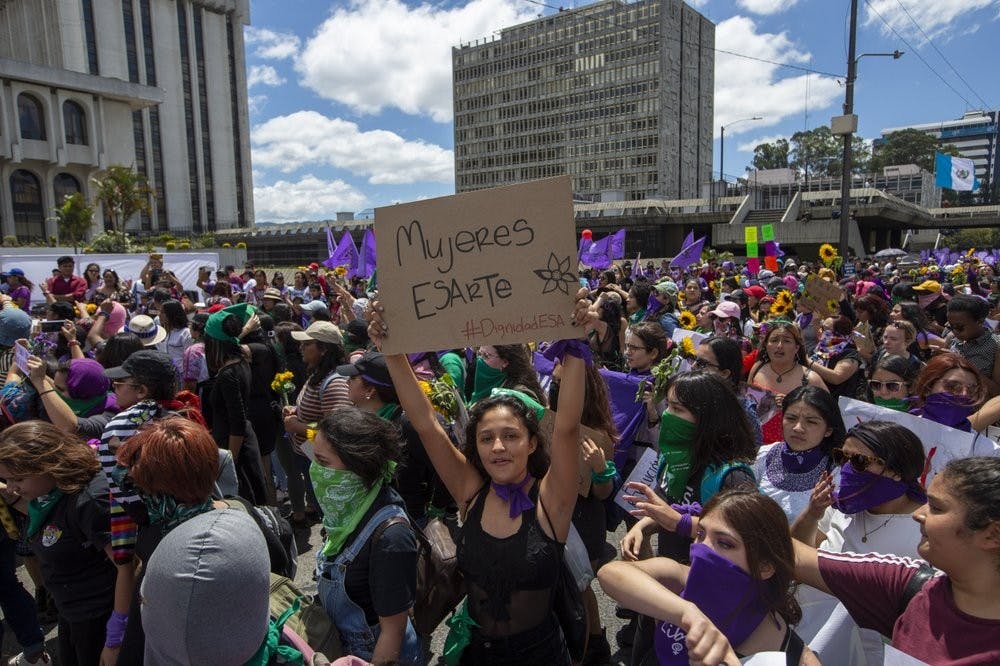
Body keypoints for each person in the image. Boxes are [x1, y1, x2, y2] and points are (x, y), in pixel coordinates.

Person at [371, 294, 588, 664]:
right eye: (486, 438)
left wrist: (576, 341)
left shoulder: (553, 500)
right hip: (476, 654)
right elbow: (425, 422)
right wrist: (391, 348)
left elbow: (566, 428)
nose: (498, 447)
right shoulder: (469, 493)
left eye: (511, 436)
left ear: (533, 443)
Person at [792, 456, 1000, 665]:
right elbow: (796, 557)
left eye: (936, 508)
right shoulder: (906, 586)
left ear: (992, 534)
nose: (918, 514)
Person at [600, 489, 819, 665]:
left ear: (765, 566)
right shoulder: (682, 580)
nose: (701, 549)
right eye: (701, 534)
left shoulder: (791, 655)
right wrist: (688, 614)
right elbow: (609, 574)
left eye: (724, 543)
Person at [0, 421, 134, 666]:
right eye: (6, 480)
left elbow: (129, 567)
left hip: (99, 620)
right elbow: (58, 528)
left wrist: (115, 638)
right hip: (72, 613)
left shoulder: (91, 502)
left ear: (47, 463)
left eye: (17, 478)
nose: (11, 487)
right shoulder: (51, 493)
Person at [311, 408, 422, 664]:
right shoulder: (347, 509)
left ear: (358, 466)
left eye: (323, 462)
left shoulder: (390, 538)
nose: (315, 470)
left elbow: (392, 632)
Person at [282, 320, 351, 525]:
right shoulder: (317, 374)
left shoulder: (334, 382)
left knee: (332, 518)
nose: (300, 348)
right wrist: (297, 411)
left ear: (324, 349)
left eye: (307, 344)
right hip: (311, 457)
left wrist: (299, 427)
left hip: (323, 462)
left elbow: (338, 433)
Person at [203, 304, 267, 504]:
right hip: (245, 443)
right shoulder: (241, 361)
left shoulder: (228, 375)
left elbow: (236, 423)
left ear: (214, 344)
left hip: (236, 451)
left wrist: (229, 463)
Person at [754, 386, 845, 522]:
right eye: (791, 418)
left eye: (811, 422)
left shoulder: (837, 472)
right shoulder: (765, 455)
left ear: (828, 430)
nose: (798, 428)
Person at [748, 321, 827, 444]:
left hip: (793, 447)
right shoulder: (757, 368)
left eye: (786, 341)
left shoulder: (810, 379)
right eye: (774, 340)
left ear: (796, 348)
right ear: (766, 345)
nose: (779, 346)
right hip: (755, 443)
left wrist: (793, 404)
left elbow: (829, 415)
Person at [693, 336, 763, 447]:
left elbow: (754, 452)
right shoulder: (687, 397)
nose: (693, 366)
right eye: (693, 359)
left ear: (724, 373)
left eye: (702, 364)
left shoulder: (743, 411)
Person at [909, 352, 991, 431]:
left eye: (972, 390)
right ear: (928, 389)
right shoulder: (902, 434)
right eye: (952, 386)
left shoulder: (984, 445)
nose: (964, 394)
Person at [946, 294, 1000, 397]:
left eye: (959, 327)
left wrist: (966, 365)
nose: (955, 331)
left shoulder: (996, 345)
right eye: (950, 326)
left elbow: (997, 392)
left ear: (979, 321)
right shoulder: (951, 338)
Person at [469, 343, 548, 406]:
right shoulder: (486, 388)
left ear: (505, 362)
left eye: (486, 356)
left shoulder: (518, 396)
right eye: (479, 354)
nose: (480, 360)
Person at [806, 315, 863, 401]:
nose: (821, 331)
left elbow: (836, 377)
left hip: (833, 403)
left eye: (825, 329)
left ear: (838, 333)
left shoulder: (849, 353)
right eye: (822, 327)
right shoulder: (822, 347)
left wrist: (809, 362)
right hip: (812, 397)